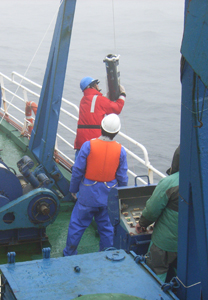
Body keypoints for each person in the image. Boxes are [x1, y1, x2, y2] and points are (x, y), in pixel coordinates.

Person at [64, 114, 128, 256]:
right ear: (116, 132)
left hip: (88, 194)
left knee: (77, 225)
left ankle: (70, 252)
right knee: (107, 228)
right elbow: (122, 177)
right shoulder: (120, 150)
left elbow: (77, 170)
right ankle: (105, 255)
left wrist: (73, 189)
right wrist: (121, 196)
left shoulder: (88, 145)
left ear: (101, 127)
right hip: (108, 196)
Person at [136, 145, 180, 282]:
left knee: (156, 272)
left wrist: (142, 223)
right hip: (189, 243)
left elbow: (152, 210)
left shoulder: (170, 182)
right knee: (184, 275)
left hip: (165, 243)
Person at [74, 76, 126, 154]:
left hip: (81, 140)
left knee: (79, 163)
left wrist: (105, 97)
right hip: (94, 141)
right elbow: (117, 109)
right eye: (96, 84)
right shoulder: (100, 100)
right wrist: (122, 95)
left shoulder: (83, 100)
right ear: (92, 86)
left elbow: (95, 105)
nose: (98, 86)